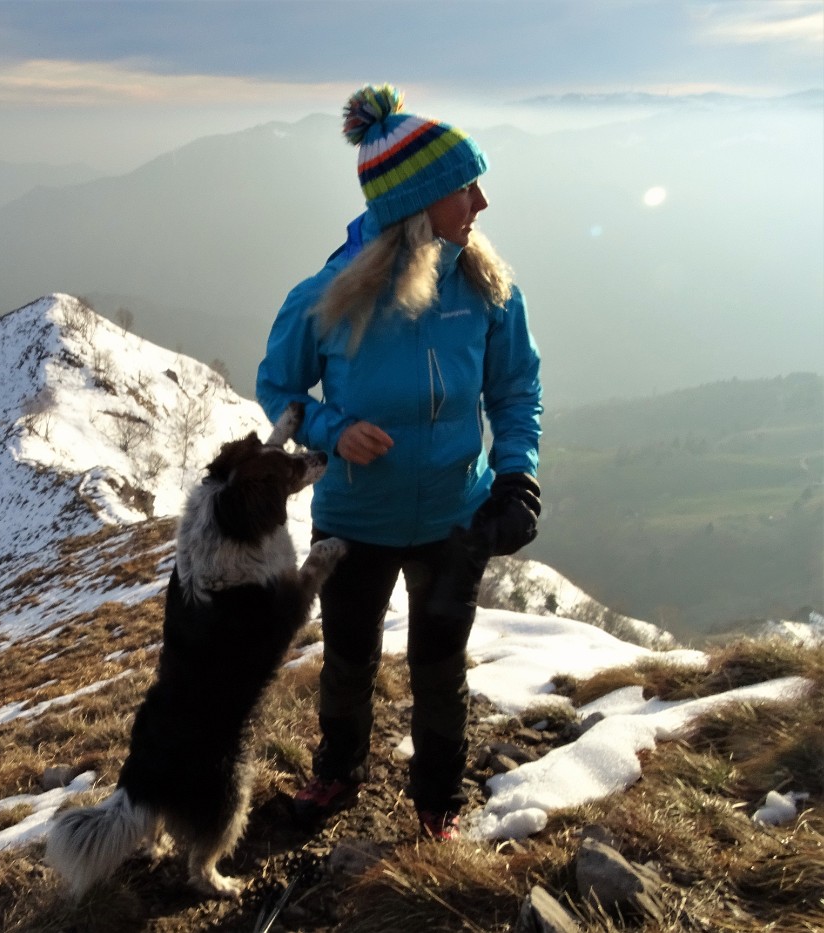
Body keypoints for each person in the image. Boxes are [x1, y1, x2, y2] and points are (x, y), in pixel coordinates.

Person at [255, 84, 543, 841]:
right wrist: (331, 427)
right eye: (462, 190)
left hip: (456, 516)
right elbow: (277, 385)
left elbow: (516, 388)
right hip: (355, 517)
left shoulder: (486, 287)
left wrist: (516, 475)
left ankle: (438, 803)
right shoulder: (329, 294)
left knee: (440, 666)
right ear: (417, 205)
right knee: (350, 659)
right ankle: (336, 774)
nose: (480, 203)